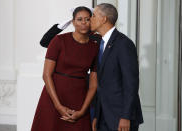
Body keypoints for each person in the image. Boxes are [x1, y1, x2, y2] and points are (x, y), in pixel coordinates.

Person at [31, 6, 98, 131]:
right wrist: (58, 106)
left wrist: (83, 111)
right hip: (54, 96)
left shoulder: (95, 45)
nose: (84, 23)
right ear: (72, 22)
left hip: (80, 97)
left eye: (87, 19)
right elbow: (46, 75)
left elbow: (94, 84)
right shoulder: (59, 40)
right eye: (79, 19)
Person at [91, 3, 143, 131]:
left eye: (93, 16)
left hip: (120, 117)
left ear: (103, 19)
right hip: (103, 115)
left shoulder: (123, 44)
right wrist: (97, 115)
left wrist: (126, 116)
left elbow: (131, 83)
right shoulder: (100, 42)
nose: (90, 19)